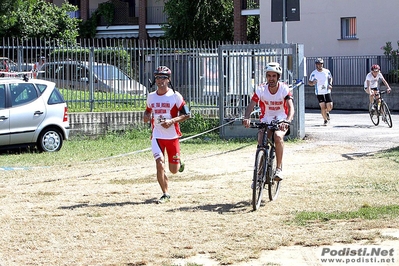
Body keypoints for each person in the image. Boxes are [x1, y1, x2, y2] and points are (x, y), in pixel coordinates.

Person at [143, 66, 190, 204]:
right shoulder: (151, 96)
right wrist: (146, 116)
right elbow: (147, 111)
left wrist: (171, 121)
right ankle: (165, 193)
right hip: (157, 136)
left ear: (168, 80)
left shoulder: (175, 96)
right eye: (157, 77)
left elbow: (187, 114)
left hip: (172, 136)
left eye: (163, 77)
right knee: (159, 164)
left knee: (174, 170)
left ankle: (179, 160)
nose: (160, 80)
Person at [243, 62, 294, 181]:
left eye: (274, 76)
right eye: (269, 76)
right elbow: (251, 105)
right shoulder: (261, 89)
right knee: (261, 141)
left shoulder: (284, 89)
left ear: (278, 77)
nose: (271, 79)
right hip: (266, 118)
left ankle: (279, 169)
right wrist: (247, 117)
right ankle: (259, 175)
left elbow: (291, 108)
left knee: (277, 137)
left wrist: (287, 121)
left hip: (281, 118)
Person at [308, 58, 333, 126]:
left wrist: (330, 84)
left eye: (321, 63)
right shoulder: (314, 73)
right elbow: (309, 82)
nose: (320, 65)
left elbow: (330, 77)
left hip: (327, 91)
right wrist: (312, 83)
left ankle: (327, 112)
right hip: (319, 92)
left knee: (330, 106)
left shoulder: (326, 71)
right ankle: (325, 120)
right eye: (319, 64)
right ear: (316, 65)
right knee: (323, 107)